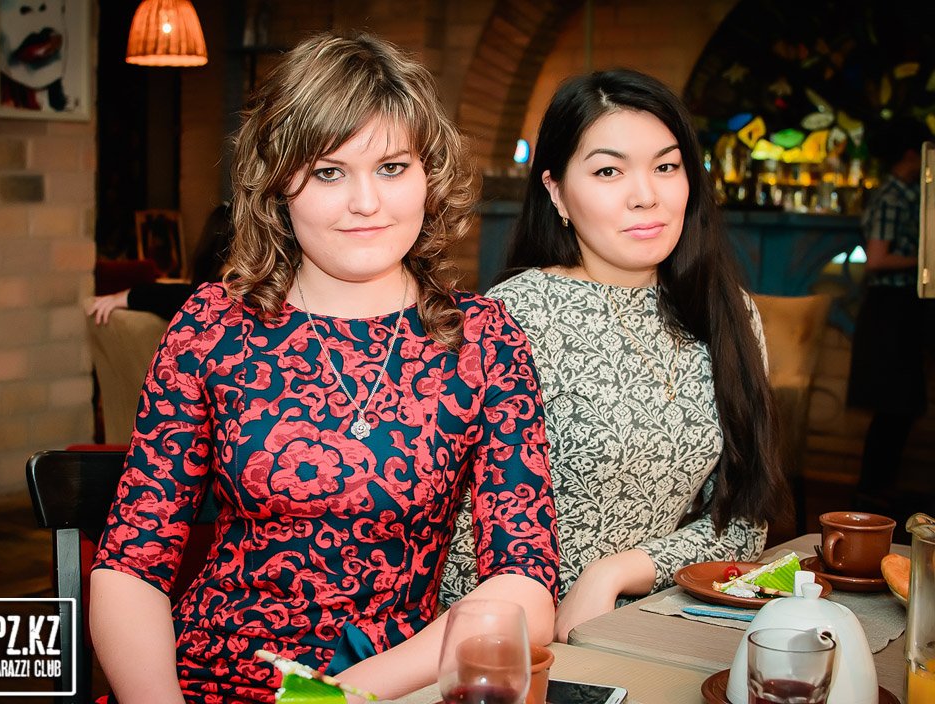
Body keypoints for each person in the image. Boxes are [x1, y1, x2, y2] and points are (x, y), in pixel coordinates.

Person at [89, 33, 559, 703]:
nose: (366, 202)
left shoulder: (482, 341)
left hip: (386, 684)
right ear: (279, 184)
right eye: (328, 172)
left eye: (392, 167)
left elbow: (524, 584)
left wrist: (330, 697)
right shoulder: (212, 326)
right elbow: (129, 566)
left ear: (429, 176)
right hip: (207, 678)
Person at [440, 69, 786, 641]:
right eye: (608, 171)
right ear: (556, 192)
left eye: (666, 166)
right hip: (499, 636)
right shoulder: (508, 319)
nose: (646, 195)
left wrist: (617, 572)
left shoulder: (728, 313)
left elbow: (744, 521)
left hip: (641, 626)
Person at [847, 119, 930, 510]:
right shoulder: (891, 197)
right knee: (892, 403)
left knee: (902, 403)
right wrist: (926, 262)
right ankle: (871, 491)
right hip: (889, 307)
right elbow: (876, 259)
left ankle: (878, 488)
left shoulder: (910, 194)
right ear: (912, 153)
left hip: (903, 307)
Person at [87, 202, 232, 324]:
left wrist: (129, 296)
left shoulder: (215, 297)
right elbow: (179, 296)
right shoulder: (210, 294)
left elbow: (178, 296)